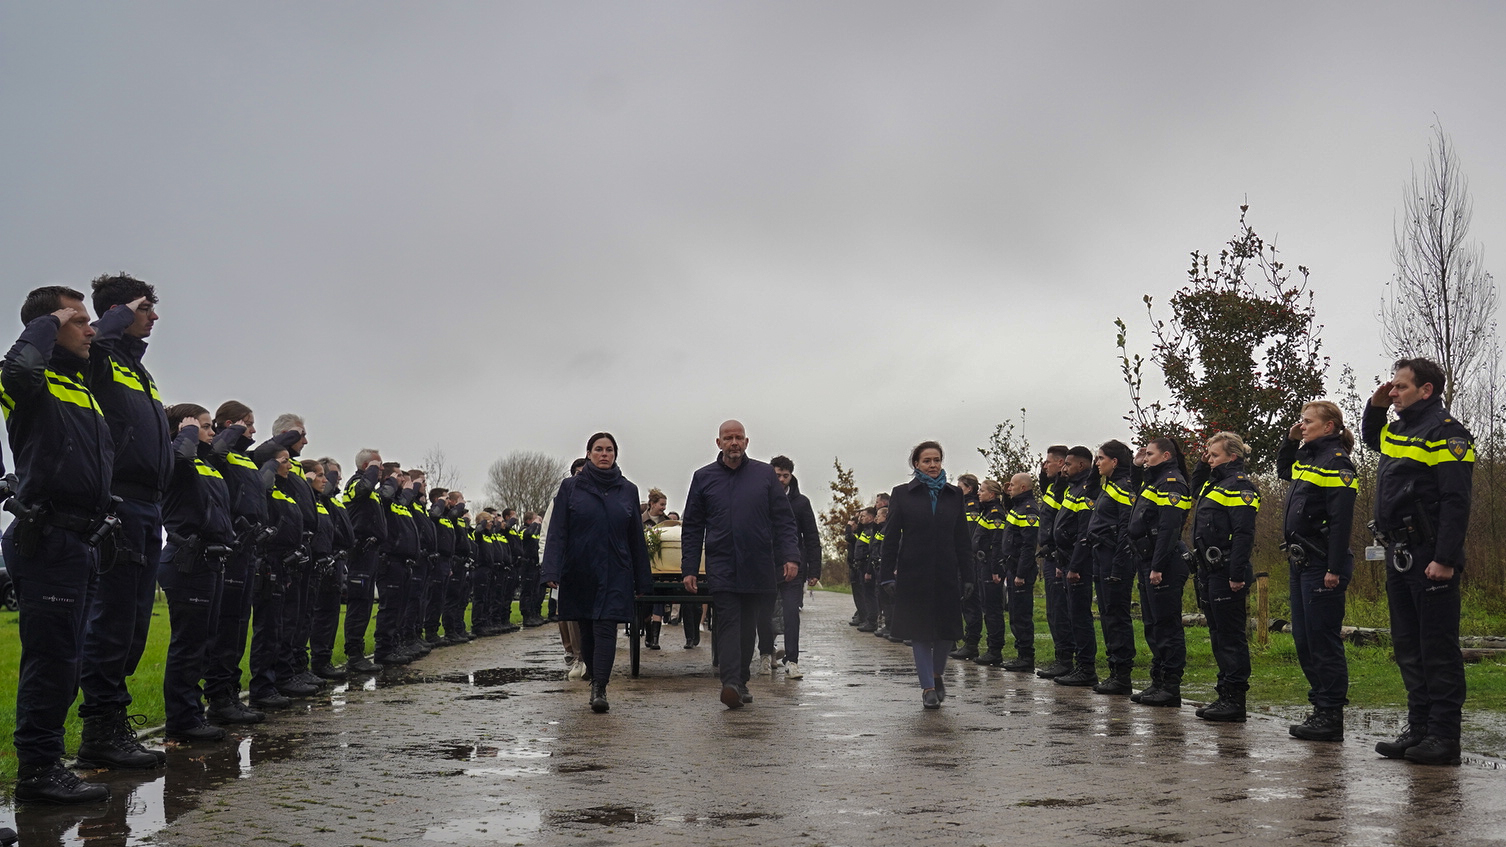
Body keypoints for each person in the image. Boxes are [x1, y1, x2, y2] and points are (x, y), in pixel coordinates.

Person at [3, 286, 115, 803]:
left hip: (81, 540)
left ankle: (49, 765)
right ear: (51, 324)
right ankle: (38, 773)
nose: (90, 329)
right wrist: (48, 323)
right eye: (79, 321)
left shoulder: (80, 387)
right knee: (50, 661)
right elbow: (18, 371)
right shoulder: (30, 381)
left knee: (66, 660)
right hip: (47, 538)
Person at [77, 274, 170, 771]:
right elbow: (94, 347)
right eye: (144, 308)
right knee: (112, 622)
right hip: (118, 501)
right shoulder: (99, 357)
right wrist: (112, 319)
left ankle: (113, 721)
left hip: (147, 507)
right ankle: (100, 729)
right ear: (116, 312)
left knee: (134, 625)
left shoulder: (139, 372)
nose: (154, 317)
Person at [1364, 358, 1475, 766]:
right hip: (1400, 553)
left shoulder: (1447, 433)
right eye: (1392, 387)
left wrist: (1445, 558)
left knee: (1436, 648)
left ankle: (1444, 737)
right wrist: (1376, 406)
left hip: (1430, 554)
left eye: (1400, 387)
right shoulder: (1399, 432)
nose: (1393, 392)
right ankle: (1420, 729)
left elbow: (1455, 499)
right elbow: (1373, 438)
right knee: (1408, 646)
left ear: (1426, 390)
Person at [681, 420, 801, 710]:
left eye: (738, 437)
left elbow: (783, 520)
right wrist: (689, 567)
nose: (733, 442)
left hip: (758, 562)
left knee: (749, 625)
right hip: (722, 562)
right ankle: (730, 682)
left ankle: (741, 681)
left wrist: (790, 556)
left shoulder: (764, 476)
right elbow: (693, 525)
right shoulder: (703, 477)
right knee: (728, 621)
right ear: (718, 442)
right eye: (728, 437)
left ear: (746, 442)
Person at [541, 433, 653, 713]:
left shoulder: (628, 490)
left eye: (610, 450)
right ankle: (594, 673)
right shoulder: (570, 488)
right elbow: (558, 532)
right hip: (580, 569)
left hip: (616, 569)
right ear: (589, 453)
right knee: (587, 629)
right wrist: (551, 569)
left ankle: (599, 687)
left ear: (616, 454)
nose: (604, 454)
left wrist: (643, 578)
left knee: (607, 627)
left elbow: (636, 537)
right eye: (599, 449)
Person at [1278, 400, 1358, 742]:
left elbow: (1341, 522)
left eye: (1308, 421)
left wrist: (1334, 568)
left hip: (1321, 563)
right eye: (1301, 420)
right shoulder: (1308, 459)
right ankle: (1319, 708)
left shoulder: (1337, 463)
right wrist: (1290, 439)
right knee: (1304, 640)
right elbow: (1284, 470)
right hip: (1300, 563)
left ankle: (1330, 715)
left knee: (1323, 641)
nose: (1303, 425)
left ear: (1329, 427)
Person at [157, 404, 235, 743]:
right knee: (188, 644)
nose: (212, 432)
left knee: (203, 643)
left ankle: (192, 714)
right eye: (204, 426)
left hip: (211, 561)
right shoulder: (177, 459)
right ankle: (182, 720)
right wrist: (184, 430)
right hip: (186, 559)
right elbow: (180, 459)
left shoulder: (207, 465)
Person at [879, 441, 972, 709]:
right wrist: (887, 575)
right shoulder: (903, 494)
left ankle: (936, 673)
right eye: (927, 461)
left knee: (946, 632)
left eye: (937, 460)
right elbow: (890, 538)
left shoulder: (954, 495)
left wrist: (968, 576)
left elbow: (962, 539)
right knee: (920, 633)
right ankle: (928, 688)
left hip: (946, 571)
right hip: (913, 573)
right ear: (916, 465)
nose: (932, 465)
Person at [201, 401, 270, 724]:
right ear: (231, 424)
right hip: (231, 546)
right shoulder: (221, 451)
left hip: (248, 549)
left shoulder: (244, 458)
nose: (254, 431)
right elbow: (213, 454)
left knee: (240, 624)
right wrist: (230, 432)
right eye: (249, 424)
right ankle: (217, 696)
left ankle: (230, 691)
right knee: (226, 626)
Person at [1190, 431, 1260, 723]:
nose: (1210, 459)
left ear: (1232, 457)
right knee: (1217, 635)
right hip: (1209, 570)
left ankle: (1235, 699)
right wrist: (1202, 461)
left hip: (1228, 570)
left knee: (1231, 637)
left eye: (1215, 455)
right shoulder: (1213, 483)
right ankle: (1223, 694)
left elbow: (1244, 534)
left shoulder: (1240, 487)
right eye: (1209, 455)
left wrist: (1235, 574)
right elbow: (1194, 489)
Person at [1126, 437, 1192, 707]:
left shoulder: (1172, 482)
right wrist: (1137, 465)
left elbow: (1169, 528)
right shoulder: (1154, 480)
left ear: (1166, 456)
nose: (1146, 456)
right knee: (1153, 625)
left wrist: (1157, 566)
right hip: (1147, 559)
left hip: (1163, 561)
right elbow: (1137, 496)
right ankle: (1158, 682)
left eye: (1150, 454)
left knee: (1167, 626)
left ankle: (1171, 686)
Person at [1086, 440, 1138, 695]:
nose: (1097, 463)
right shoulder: (1109, 486)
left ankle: (1122, 674)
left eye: (1101, 459)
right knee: (1107, 615)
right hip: (1101, 556)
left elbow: (1126, 531)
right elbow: (1089, 489)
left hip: (1114, 559)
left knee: (1116, 616)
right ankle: (1113, 671)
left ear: (1114, 462)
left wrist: (1118, 567)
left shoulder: (1124, 487)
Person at [766, 455, 822, 678]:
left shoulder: (801, 503)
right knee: (766, 611)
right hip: (766, 564)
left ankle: (792, 659)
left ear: (791, 476)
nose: (780, 480)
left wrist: (815, 570)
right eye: (777, 475)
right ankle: (766, 653)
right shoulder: (761, 498)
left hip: (793, 565)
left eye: (785, 476)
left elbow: (811, 536)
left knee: (791, 613)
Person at [1051, 446, 1100, 687]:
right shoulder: (1072, 488)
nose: (1063, 468)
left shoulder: (1086, 491)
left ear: (1081, 465)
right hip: (1067, 560)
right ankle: (1079, 665)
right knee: (1072, 615)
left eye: (1068, 465)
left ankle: (1086, 667)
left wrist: (1075, 565)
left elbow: (1083, 533)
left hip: (1078, 563)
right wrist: (1062, 563)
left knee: (1080, 617)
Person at [341, 448, 389, 672]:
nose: (381, 471)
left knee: (366, 603)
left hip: (371, 552)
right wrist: (370, 472)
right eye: (377, 466)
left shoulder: (372, 490)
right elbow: (363, 490)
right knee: (358, 604)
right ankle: (354, 654)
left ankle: (358, 653)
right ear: (365, 467)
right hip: (360, 552)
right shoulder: (355, 484)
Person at [541, 457, 588, 679]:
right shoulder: (560, 498)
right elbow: (548, 534)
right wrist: (548, 565)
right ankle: (574, 653)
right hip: (566, 564)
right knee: (567, 614)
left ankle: (588, 656)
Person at [1035, 445, 1074, 678]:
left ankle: (1066, 659)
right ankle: (1061, 656)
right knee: (1053, 611)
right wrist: (1043, 474)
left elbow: (1064, 524)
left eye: (1048, 462)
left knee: (1060, 611)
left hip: (1059, 557)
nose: (1044, 465)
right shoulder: (1052, 487)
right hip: (1049, 557)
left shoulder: (1065, 489)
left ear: (1061, 464)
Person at [998, 472, 1041, 672]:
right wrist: (1007, 494)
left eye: (1013, 486)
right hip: (1012, 567)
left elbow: (1028, 546)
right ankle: (1020, 654)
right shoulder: (1017, 507)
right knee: (1014, 614)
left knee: (1022, 615)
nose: (1009, 488)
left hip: (1020, 570)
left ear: (1023, 488)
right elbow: (1008, 505)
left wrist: (1021, 574)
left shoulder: (1029, 510)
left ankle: (1026, 656)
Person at [971, 479, 1009, 666]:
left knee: (993, 610)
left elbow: (997, 544)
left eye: (982, 490)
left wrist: (996, 570)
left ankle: (995, 650)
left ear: (992, 494)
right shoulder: (986, 511)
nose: (979, 493)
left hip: (990, 566)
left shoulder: (996, 514)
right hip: (982, 563)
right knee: (987, 607)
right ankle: (991, 648)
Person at [951, 474, 984, 660]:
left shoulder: (971, 508)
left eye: (960, 486)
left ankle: (971, 643)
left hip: (968, 562)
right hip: (959, 560)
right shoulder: (961, 506)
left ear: (968, 489)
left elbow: (968, 537)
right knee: (961, 601)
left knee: (971, 602)